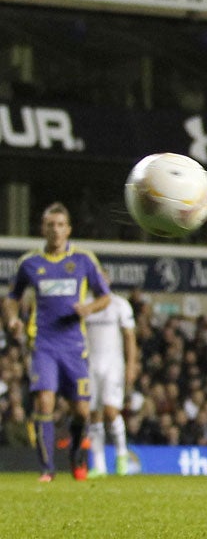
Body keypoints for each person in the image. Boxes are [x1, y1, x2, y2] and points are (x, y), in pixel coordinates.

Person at [2, 203, 111, 481]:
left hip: (74, 345)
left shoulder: (84, 260)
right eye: (50, 225)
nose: (55, 230)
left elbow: (105, 296)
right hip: (43, 343)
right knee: (44, 402)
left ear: (69, 229)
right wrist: (13, 319)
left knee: (82, 411)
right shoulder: (30, 263)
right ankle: (47, 470)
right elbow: (12, 297)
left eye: (61, 225)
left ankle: (76, 456)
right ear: (43, 228)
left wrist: (88, 309)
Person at [85, 291, 137, 477]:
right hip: (90, 365)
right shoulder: (86, 304)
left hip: (113, 366)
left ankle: (121, 455)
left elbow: (130, 337)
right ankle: (99, 465)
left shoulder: (119, 304)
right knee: (93, 414)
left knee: (110, 411)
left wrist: (131, 364)